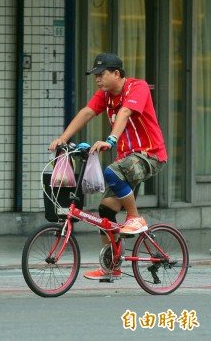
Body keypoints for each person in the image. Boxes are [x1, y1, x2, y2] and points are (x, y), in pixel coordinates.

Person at [49, 53, 167, 281]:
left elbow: (124, 112)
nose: (98, 80)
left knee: (111, 171)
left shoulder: (137, 88)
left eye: (101, 75)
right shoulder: (106, 96)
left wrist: (110, 140)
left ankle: (135, 218)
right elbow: (87, 112)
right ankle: (112, 265)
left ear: (116, 73)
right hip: (129, 161)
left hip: (149, 155)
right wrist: (62, 139)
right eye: (95, 76)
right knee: (105, 211)